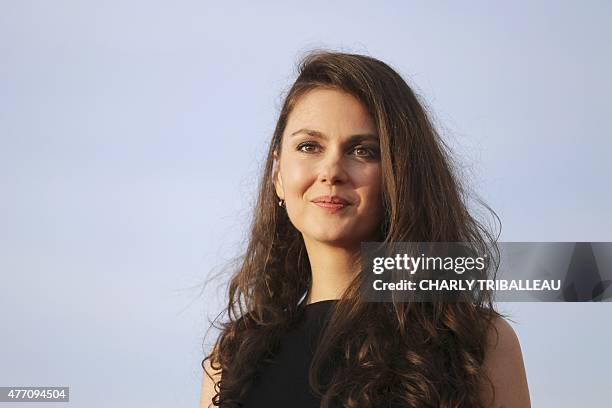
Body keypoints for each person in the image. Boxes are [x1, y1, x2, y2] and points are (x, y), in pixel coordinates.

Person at [199, 51, 531, 407]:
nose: (331, 171)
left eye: (362, 151)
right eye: (309, 146)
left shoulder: (477, 343)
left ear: (399, 176)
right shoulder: (232, 358)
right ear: (278, 175)